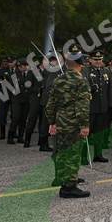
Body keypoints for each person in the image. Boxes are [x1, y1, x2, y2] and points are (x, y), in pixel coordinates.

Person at [45, 44, 91, 198]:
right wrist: (84, 125)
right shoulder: (81, 81)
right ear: (80, 64)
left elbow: (50, 104)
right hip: (73, 124)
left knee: (62, 152)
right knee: (73, 154)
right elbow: (82, 107)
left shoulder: (59, 80)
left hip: (60, 122)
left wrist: (52, 122)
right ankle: (69, 187)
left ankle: (63, 178)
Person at [83, 50, 111, 163]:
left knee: (100, 132)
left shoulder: (106, 71)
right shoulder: (85, 71)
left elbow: (109, 89)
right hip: (90, 107)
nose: (98, 61)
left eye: (100, 59)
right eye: (95, 59)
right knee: (86, 132)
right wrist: (90, 88)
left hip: (102, 107)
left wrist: (109, 104)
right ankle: (83, 156)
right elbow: (83, 87)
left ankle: (98, 154)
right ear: (90, 60)